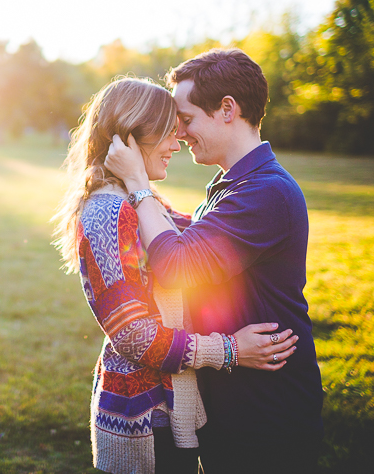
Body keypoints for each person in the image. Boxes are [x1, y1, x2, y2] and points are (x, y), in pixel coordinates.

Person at [53, 77, 299, 474]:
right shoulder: (106, 214)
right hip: (144, 420)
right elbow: (133, 335)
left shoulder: (142, 202)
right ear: (132, 138)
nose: (177, 142)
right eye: (169, 133)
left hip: (172, 410)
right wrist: (231, 350)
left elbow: (189, 249)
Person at [104, 49, 324, 473]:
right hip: (235, 401)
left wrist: (137, 181)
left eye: (186, 119)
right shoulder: (229, 185)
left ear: (227, 109)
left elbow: (178, 266)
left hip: (267, 413)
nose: (180, 134)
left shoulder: (267, 192)